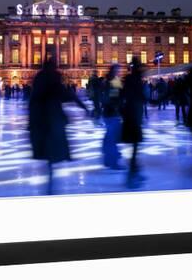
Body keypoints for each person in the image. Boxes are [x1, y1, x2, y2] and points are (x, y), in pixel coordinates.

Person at [28, 58, 88, 194]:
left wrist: (31, 121)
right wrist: (83, 106)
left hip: (41, 120)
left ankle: (50, 175)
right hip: (52, 118)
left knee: (48, 148)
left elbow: (33, 100)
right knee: (54, 145)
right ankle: (51, 176)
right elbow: (68, 95)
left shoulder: (40, 79)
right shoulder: (53, 80)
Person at [121, 57, 145, 188]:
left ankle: (134, 172)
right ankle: (132, 174)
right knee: (135, 146)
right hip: (134, 116)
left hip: (130, 115)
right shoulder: (135, 80)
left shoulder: (130, 79)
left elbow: (122, 94)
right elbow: (139, 96)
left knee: (134, 147)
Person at [101, 64, 124, 170]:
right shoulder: (114, 81)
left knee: (109, 137)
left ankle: (107, 159)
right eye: (118, 70)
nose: (119, 72)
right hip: (112, 113)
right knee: (112, 138)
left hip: (108, 112)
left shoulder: (107, 80)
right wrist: (118, 108)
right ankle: (113, 162)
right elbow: (116, 96)